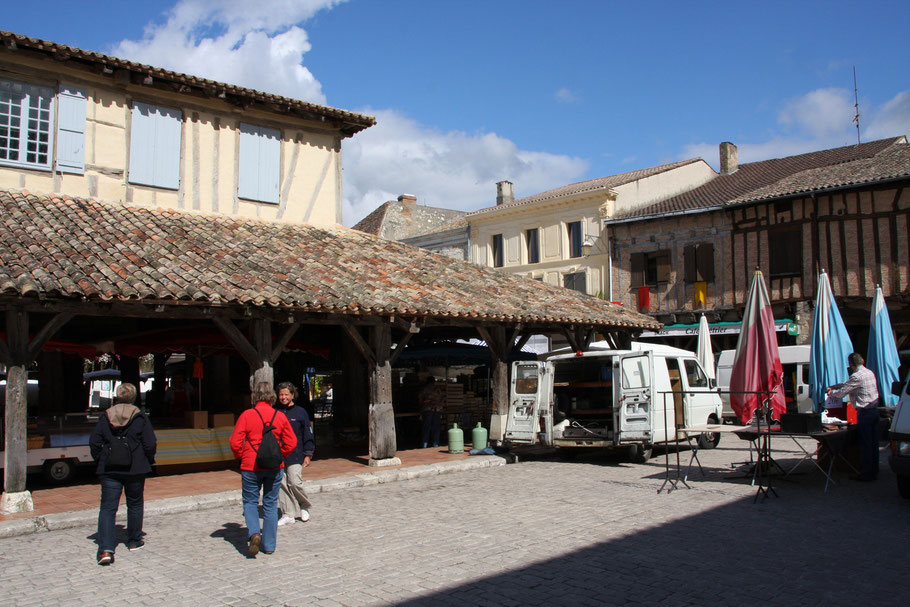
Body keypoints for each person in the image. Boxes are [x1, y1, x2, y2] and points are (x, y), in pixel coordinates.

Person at [89, 382, 157, 566]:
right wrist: (147, 459)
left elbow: (94, 442)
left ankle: (105, 549)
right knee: (134, 504)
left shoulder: (106, 417)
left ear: (117, 396)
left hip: (110, 468)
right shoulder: (140, 417)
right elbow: (150, 443)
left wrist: (101, 458)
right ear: (134, 397)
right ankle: (134, 540)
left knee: (108, 508)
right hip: (135, 468)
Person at [229, 382, 297, 556]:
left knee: (251, 501)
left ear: (255, 396)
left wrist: (240, 456)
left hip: (251, 464)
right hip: (274, 466)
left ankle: (254, 533)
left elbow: (235, 442)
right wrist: (280, 454)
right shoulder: (279, 416)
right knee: (270, 503)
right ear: (272, 396)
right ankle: (269, 545)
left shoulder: (247, 415)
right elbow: (291, 442)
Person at [826, 353, 881, 481]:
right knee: (873, 444)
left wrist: (831, 392)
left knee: (866, 444)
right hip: (874, 411)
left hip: (865, 412)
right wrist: (834, 386)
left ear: (851, 364)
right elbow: (846, 383)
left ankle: (866, 474)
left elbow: (842, 393)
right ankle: (874, 470)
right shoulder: (869, 372)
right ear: (862, 361)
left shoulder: (857, 376)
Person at [275, 381, 315, 526]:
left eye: (286, 394)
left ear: (292, 395)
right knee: (281, 484)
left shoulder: (300, 412)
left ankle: (304, 505)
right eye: (281, 395)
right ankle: (288, 513)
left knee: (294, 482)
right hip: (279, 454)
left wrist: (308, 453)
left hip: (295, 454)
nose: (283, 397)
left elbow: (307, 433)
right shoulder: (276, 411)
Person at [419, 377, 445, 448]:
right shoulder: (438, 389)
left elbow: (420, 399)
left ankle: (425, 444)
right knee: (436, 428)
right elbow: (442, 400)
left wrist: (422, 406)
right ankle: (435, 444)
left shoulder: (424, 389)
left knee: (426, 428)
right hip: (437, 410)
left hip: (427, 409)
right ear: (434, 382)